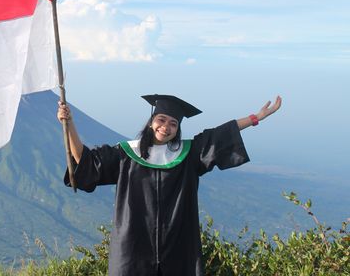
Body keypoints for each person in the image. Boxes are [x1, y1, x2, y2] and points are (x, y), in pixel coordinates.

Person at [57, 94, 282, 276]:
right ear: (151, 121)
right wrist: (69, 124)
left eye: (173, 123)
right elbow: (85, 161)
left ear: (178, 129)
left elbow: (218, 137)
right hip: (132, 246)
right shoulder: (126, 155)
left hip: (178, 247)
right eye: (161, 119)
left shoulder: (187, 155)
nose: (166, 127)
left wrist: (255, 118)